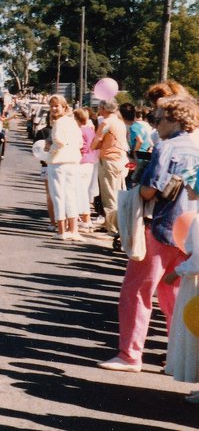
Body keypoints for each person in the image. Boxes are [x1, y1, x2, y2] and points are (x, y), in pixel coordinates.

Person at [99, 94, 199, 372]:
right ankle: (178, 357)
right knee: (176, 295)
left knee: (137, 290)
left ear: (174, 119)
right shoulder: (196, 148)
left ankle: (130, 354)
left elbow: (149, 189)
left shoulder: (166, 148)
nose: (154, 125)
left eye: (157, 118)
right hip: (191, 232)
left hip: (160, 226)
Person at [163, 214, 199, 400]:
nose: (186, 188)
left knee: (196, 338)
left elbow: (197, 262)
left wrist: (176, 272)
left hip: (195, 284)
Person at [45, 95, 83, 241]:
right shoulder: (73, 122)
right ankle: (73, 230)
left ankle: (61, 230)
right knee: (71, 195)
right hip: (73, 161)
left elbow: (58, 141)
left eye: (56, 106)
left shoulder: (59, 123)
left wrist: (50, 148)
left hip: (58, 162)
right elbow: (80, 143)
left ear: (64, 107)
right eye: (52, 106)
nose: (54, 109)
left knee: (58, 196)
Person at [92, 99, 129, 234]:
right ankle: (112, 223)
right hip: (120, 159)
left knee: (109, 195)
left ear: (103, 108)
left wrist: (94, 146)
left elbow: (97, 140)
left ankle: (113, 227)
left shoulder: (106, 123)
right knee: (117, 191)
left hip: (108, 159)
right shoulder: (120, 123)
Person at [73, 107, 99, 234]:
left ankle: (85, 218)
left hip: (81, 162)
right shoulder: (90, 130)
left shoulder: (79, 131)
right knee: (84, 191)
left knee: (80, 191)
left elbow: (81, 147)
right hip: (90, 161)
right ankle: (84, 218)